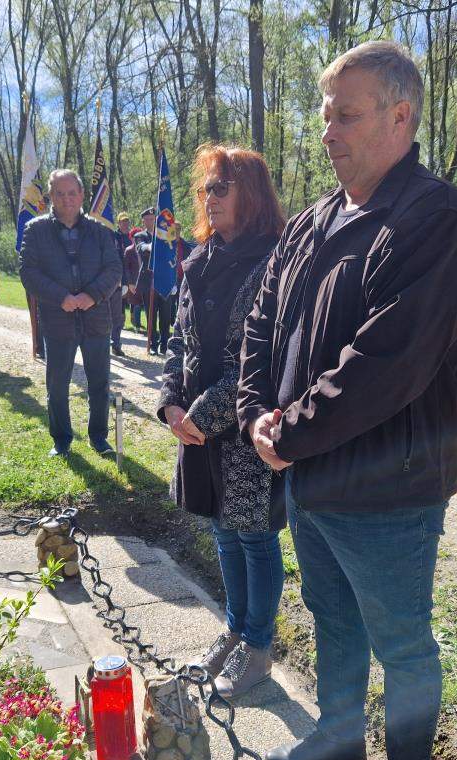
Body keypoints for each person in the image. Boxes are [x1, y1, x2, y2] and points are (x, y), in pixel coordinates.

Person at [236, 41, 457, 760]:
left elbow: (387, 362)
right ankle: (338, 737)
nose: (327, 133)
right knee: (331, 616)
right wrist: (256, 414)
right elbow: (261, 320)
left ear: (400, 115)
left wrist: (288, 434)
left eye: (345, 116)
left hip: (388, 490)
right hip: (311, 474)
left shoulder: (437, 221)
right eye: (326, 116)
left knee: (401, 641)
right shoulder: (315, 220)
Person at [157, 144, 287, 699]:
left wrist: (203, 416)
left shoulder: (274, 261)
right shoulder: (197, 263)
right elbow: (178, 342)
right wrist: (169, 401)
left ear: (251, 194)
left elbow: (255, 358)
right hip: (198, 428)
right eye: (205, 188)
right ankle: (234, 630)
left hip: (246, 429)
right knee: (222, 533)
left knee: (254, 539)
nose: (209, 199)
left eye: (221, 187)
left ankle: (259, 645)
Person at [20, 169, 122, 455]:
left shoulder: (101, 231)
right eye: (60, 194)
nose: (67, 199)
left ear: (81, 195)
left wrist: (92, 295)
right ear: (51, 196)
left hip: (96, 319)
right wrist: (60, 297)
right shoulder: (35, 230)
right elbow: (28, 272)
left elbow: (114, 269)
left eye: (72, 193)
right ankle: (61, 441)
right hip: (58, 320)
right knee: (58, 385)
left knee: (100, 383)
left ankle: (98, 437)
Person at [133, 208, 176, 355]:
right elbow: (141, 248)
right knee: (151, 315)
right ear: (143, 221)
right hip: (148, 281)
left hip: (164, 280)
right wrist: (152, 246)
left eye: (153, 218)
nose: (151, 221)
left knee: (165, 315)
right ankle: (152, 344)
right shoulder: (140, 236)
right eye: (148, 219)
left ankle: (165, 345)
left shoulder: (164, 235)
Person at [112, 212, 134, 354]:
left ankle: (116, 342)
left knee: (121, 314)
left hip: (129, 281)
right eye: (122, 222)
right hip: (115, 280)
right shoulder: (114, 237)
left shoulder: (131, 239)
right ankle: (115, 343)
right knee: (116, 314)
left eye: (127, 222)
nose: (125, 224)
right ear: (118, 223)